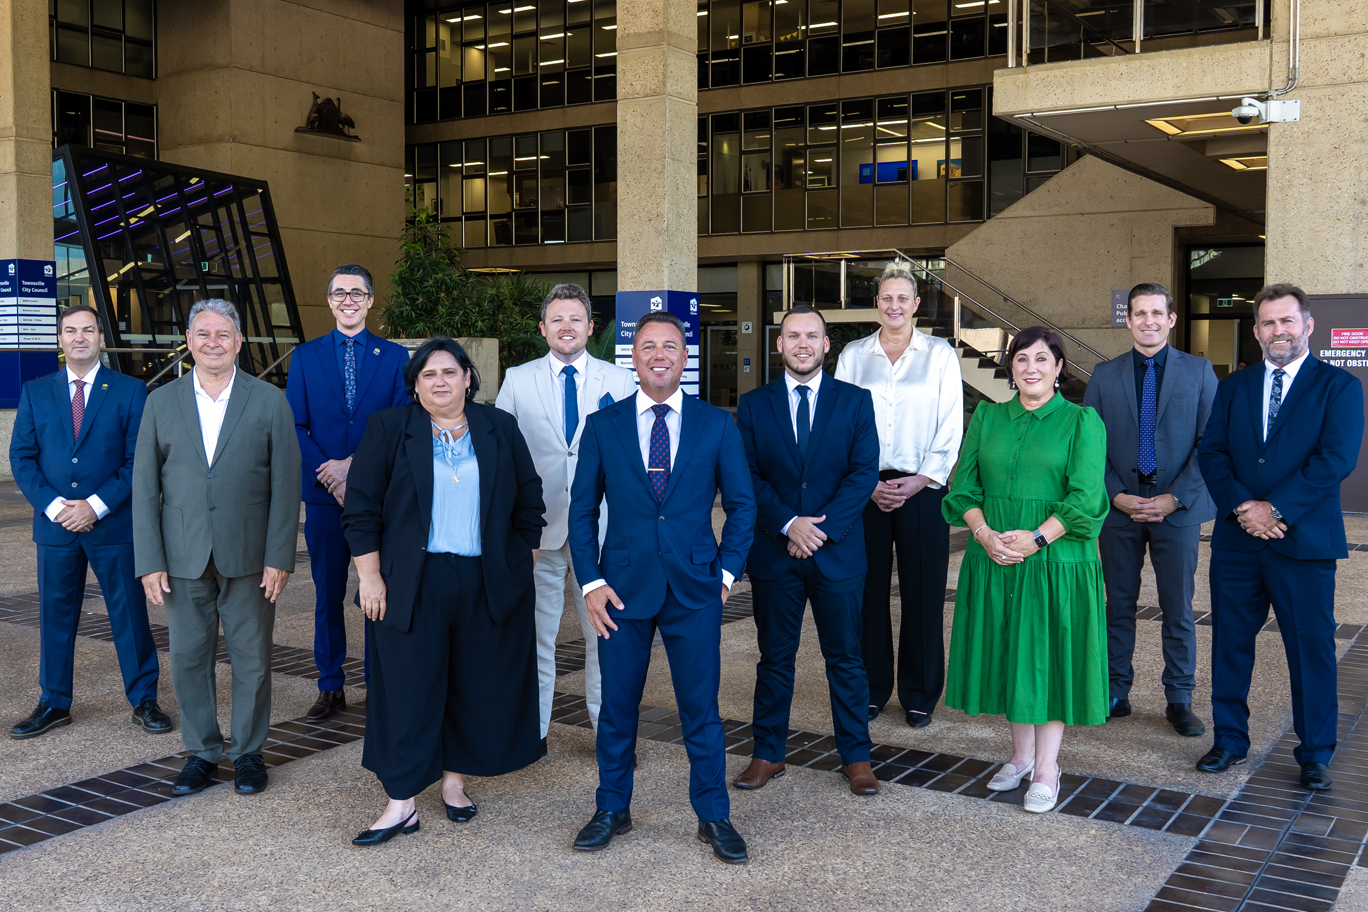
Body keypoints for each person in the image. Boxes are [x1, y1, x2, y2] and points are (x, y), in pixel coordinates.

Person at [567, 311, 756, 864]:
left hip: (696, 588)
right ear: (634, 356)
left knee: (701, 710)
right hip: (620, 591)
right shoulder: (604, 425)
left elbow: (742, 507)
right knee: (618, 708)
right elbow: (581, 512)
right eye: (647, 346)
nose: (658, 355)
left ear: (684, 355)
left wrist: (724, 573)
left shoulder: (717, 424)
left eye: (669, 346)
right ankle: (611, 808)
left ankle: (714, 816)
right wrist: (591, 582)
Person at [342, 338, 546, 846]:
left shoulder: (499, 427)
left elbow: (530, 502)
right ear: (415, 384)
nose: (440, 381)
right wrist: (370, 577)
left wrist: (518, 565)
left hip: (483, 579)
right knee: (407, 690)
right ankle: (401, 802)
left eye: (450, 372)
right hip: (411, 582)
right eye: (428, 374)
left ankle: (454, 783)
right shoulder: (390, 428)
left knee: (473, 683)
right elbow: (362, 509)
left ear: (468, 378)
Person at [1196, 284, 1364, 791]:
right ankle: (1229, 739)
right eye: (1268, 323)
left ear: (1308, 325)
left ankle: (1314, 751)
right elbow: (1213, 453)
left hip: (1304, 544)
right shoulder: (1236, 386)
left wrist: (1277, 508)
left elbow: (1335, 459)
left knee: (1310, 649)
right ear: (1255, 331)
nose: (1279, 331)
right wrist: (1247, 508)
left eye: (1287, 321)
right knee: (1230, 643)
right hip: (1239, 542)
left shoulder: (1339, 387)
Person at [132, 299, 301, 798]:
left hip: (250, 557)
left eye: (223, 334)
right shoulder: (160, 402)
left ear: (239, 342)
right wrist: (149, 560)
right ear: (188, 341)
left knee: (252, 657)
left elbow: (286, 488)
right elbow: (144, 488)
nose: (212, 342)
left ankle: (248, 752)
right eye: (202, 333)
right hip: (182, 556)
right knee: (187, 657)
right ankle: (202, 752)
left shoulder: (270, 400)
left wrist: (279, 556)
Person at [942, 326, 1108, 814]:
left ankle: (1047, 769)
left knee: (1048, 659)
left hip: (1056, 562)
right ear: (1010, 368)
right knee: (1010, 655)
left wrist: (1036, 538)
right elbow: (963, 489)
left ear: (1059, 368)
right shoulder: (989, 417)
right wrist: (984, 534)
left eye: (1042, 359)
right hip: (994, 557)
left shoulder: (1081, 421)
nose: (1030, 367)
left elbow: (1086, 498)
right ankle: (1019, 755)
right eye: (1021, 359)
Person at [733, 305, 881, 796]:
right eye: (792, 335)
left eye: (811, 336)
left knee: (846, 657)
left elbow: (864, 472)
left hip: (836, 551)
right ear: (778, 345)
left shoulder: (855, 402)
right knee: (775, 658)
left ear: (826, 345)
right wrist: (788, 524)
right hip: (776, 553)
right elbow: (746, 476)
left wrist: (819, 530)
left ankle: (856, 757)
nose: (802, 344)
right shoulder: (754, 405)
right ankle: (767, 753)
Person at [8, 305, 167, 739]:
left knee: (129, 615)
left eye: (88, 330)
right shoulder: (36, 390)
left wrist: (95, 505)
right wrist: (56, 506)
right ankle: (54, 702)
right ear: (61, 339)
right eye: (70, 330)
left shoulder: (131, 390)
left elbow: (139, 460)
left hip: (113, 525)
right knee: (56, 616)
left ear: (100, 337)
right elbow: (21, 457)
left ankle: (144, 700)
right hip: (56, 527)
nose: (79, 337)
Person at [495, 283, 638, 743]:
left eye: (575, 319)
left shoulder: (618, 381)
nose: (567, 327)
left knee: (606, 639)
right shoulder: (518, 379)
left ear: (590, 327)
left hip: (602, 534)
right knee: (536, 639)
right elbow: (502, 456)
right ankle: (531, 734)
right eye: (557, 319)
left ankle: (608, 735)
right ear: (543, 329)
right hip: (540, 535)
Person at [1083, 283, 1217, 737]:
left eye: (1157, 313)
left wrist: (1173, 497)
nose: (1148, 321)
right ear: (1129, 319)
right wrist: (1115, 494)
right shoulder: (1105, 374)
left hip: (1176, 511)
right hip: (1119, 510)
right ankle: (1116, 690)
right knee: (1117, 605)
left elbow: (1211, 445)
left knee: (1177, 607)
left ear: (1172, 319)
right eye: (1139, 313)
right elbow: (1090, 448)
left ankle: (1179, 698)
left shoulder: (1199, 373)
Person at [835, 260, 963, 728]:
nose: (894, 305)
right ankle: (870, 689)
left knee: (923, 592)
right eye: (886, 297)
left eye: (902, 298)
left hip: (921, 488)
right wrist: (864, 482)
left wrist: (922, 479)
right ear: (877, 304)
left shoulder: (940, 354)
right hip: (864, 489)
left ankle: (920, 693)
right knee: (866, 592)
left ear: (915, 304)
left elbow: (951, 424)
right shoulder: (853, 355)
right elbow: (840, 424)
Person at [285, 264, 409, 722]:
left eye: (358, 292)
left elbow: (400, 423)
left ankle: (380, 683)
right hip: (323, 495)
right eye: (340, 293)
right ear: (330, 300)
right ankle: (330, 684)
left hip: (378, 496)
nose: (349, 300)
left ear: (371, 300)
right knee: (327, 594)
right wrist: (329, 473)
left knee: (378, 592)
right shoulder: (306, 356)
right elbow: (295, 424)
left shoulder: (395, 358)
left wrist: (352, 468)